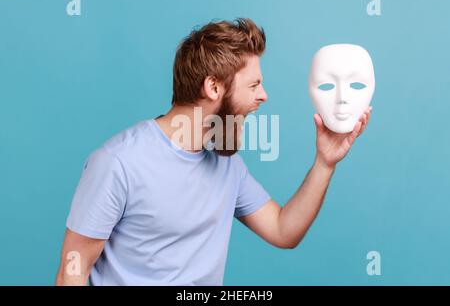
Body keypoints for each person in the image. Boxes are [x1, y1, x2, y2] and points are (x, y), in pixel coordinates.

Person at [55, 18, 372, 286]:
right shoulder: (118, 163)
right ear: (214, 87)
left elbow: (282, 231)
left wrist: (325, 162)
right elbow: (74, 268)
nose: (264, 96)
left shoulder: (227, 164)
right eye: (253, 85)